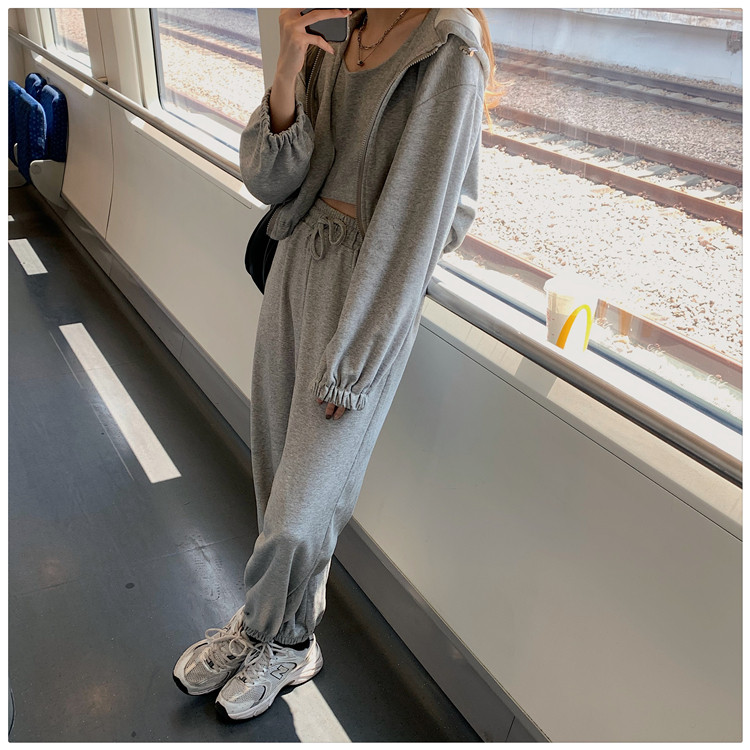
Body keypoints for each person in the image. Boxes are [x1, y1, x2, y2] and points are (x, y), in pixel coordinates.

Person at [173, 7, 501, 722]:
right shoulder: (341, 24)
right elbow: (270, 179)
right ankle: (289, 639)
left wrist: (357, 357)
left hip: (365, 293)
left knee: (301, 511)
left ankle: (259, 629)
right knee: (274, 482)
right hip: (296, 265)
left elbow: (418, 229)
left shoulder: (448, 49)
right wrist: (288, 68)